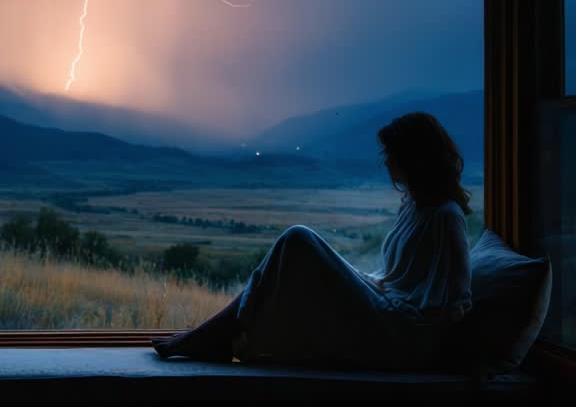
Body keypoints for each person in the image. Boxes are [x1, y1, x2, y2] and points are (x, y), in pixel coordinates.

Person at [151, 111, 473, 370]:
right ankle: (221, 333)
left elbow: (448, 307)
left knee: (299, 239)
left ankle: (217, 333)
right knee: (299, 246)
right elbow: (395, 280)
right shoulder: (415, 207)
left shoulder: (446, 217)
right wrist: (356, 280)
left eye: (392, 154)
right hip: (391, 313)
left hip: (404, 334)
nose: (386, 162)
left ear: (414, 158)